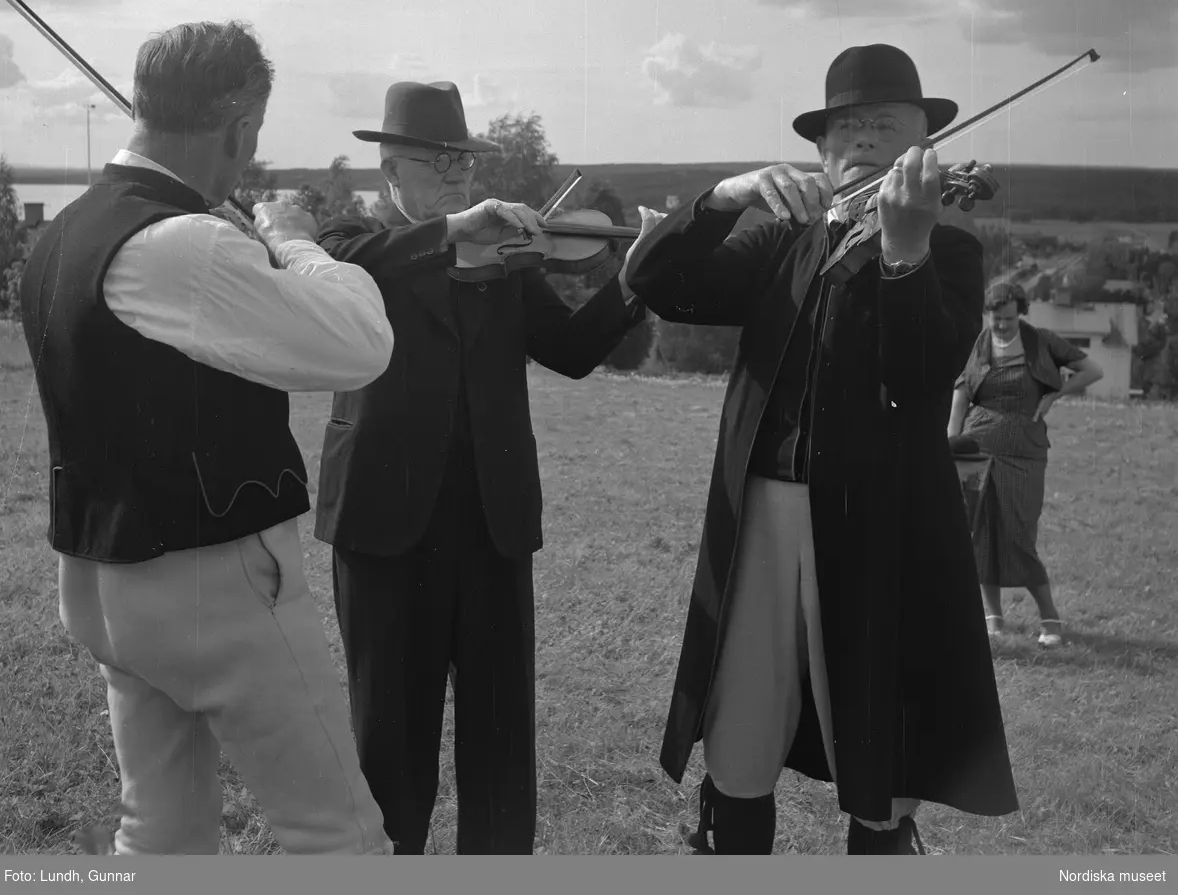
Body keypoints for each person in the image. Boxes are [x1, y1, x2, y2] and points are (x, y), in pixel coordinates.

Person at [623, 43, 1019, 855]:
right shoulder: (783, 242)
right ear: (820, 150)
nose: (863, 140)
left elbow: (923, 376)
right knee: (741, 726)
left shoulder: (947, 247)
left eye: (885, 124)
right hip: (761, 514)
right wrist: (726, 197)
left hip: (880, 527)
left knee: (878, 743)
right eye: (845, 128)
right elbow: (658, 282)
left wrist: (903, 253)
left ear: (923, 142)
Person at [18, 21, 394, 856]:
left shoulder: (64, 233)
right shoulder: (185, 245)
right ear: (239, 129)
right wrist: (294, 238)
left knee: (163, 831)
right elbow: (360, 345)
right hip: (212, 580)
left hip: (101, 578)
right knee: (339, 837)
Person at [312, 80, 654, 855]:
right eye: (437, 166)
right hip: (385, 529)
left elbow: (568, 351)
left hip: (493, 526)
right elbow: (342, 264)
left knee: (501, 751)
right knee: (390, 750)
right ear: (388, 174)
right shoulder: (349, 242)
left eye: (463, 165)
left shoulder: (504, 256)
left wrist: (638, 280)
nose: (458, 179)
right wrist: (451, 233)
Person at [948, 281, 1103, 647]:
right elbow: (962, 390)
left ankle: (1050, 620)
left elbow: (1092, 371)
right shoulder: (983, 342)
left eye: (1006, 318)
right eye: (995, 318)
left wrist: (1054, 396)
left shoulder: (1042, 341)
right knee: (980, 531)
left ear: (1021, 312)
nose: (1000, 325)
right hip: (978, 448)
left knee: (1019, 534)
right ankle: (993, 617)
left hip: (1025, 450)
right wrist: (950, 439)